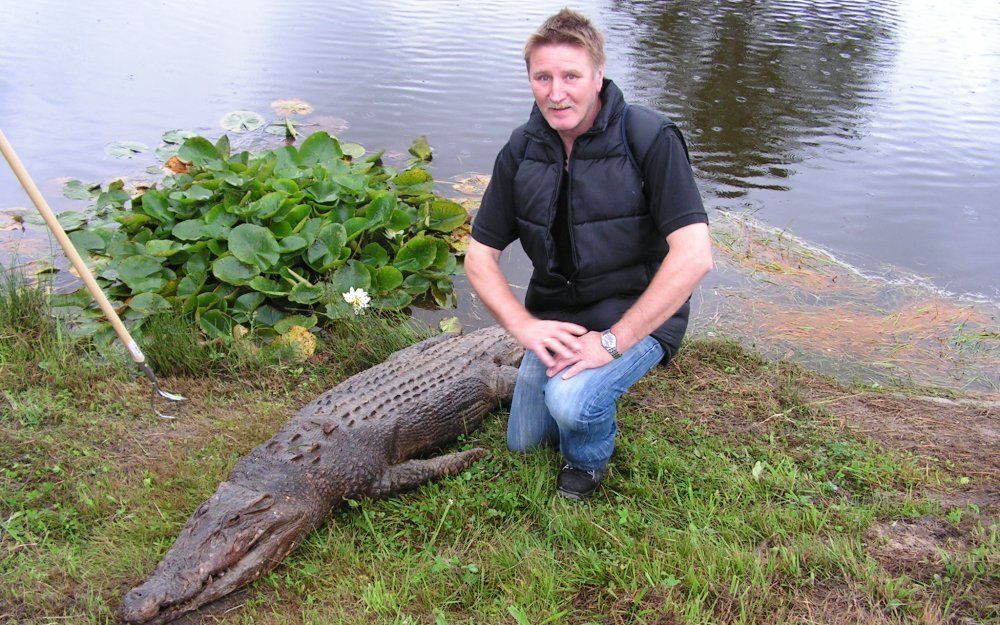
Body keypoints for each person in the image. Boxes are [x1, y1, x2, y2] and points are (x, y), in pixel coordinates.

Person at [465, 9, 713, 500]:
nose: (556, 93)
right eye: (543, 77)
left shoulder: (649, 138)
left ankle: (588, 460)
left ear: (598, 75)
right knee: (525, 443)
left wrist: (611, 343)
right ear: (531, 79)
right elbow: (478, 256)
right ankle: (576, 390)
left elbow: (694, 256)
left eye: (571, 76)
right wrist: (524, 326)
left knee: (573, 403)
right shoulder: (522, 149)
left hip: (633, 314)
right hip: (559, 312)